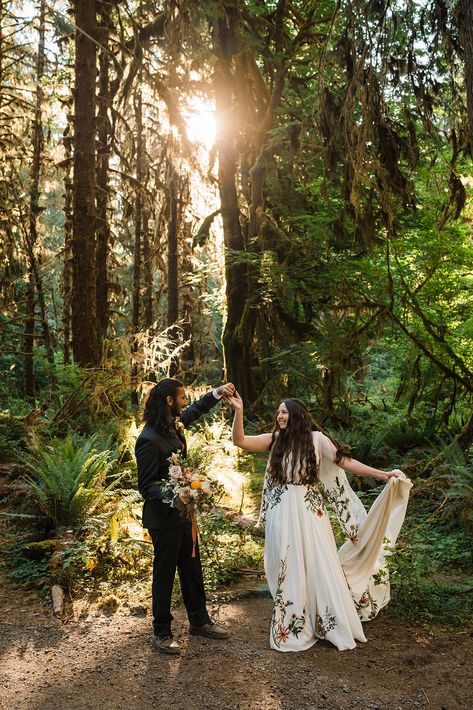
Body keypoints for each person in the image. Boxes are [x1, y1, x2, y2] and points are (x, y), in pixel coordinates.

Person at [228, 392, 412, 652]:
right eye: (278, 412)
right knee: (288, 562)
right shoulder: (275, 440)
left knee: (317, 561)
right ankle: (294, 624)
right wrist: (239, 410)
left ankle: (325, 620)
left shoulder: (316, 439)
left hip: (308, 511)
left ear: (298, 415)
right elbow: (240, 441)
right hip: (282, 512)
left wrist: (382, 475)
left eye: (285, 411)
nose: (280, 416)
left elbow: (344, 462)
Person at [135, 377, 235, 654]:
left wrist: (217, 393)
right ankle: (162, 632)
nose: (184, 402)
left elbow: (194, 412)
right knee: (165, 574)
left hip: (184, 517)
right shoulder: (148, 439)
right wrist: (175, 495)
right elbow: (146, 486)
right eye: (181, 398)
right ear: (169, 401)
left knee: (192, 569)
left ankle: (199, 622)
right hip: (162, 520)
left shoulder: (172, 427)